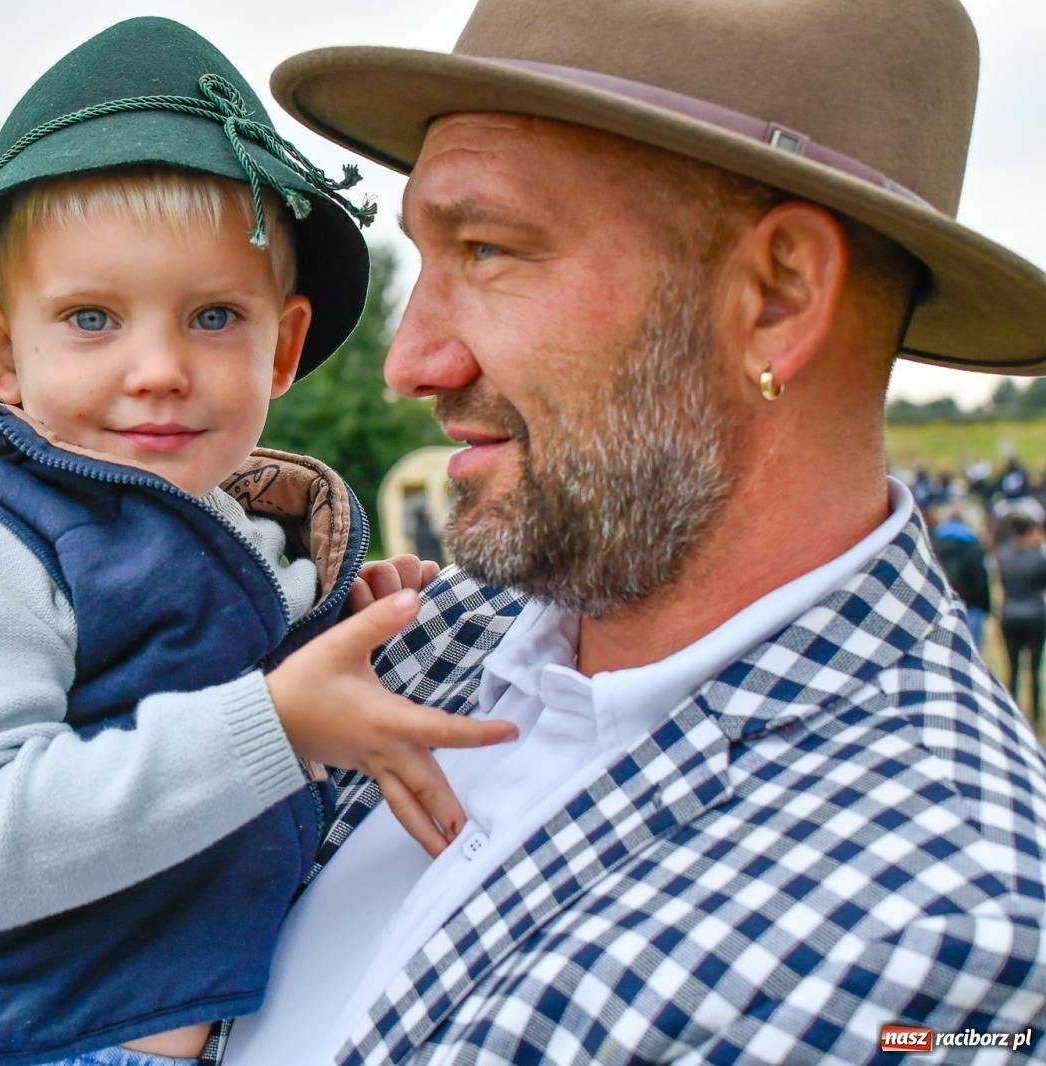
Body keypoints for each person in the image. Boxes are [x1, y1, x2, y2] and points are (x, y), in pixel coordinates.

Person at [222, 0, 1046, 1060]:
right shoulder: (429, 633)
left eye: (486, 248)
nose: (409, 362)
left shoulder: (931, 921)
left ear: (779, 297)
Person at [0, 19, 514, 1066]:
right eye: (93, 319)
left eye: (210, 318)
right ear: (0, 352)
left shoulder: (246, 536)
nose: (156, 368)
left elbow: (202, 693)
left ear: (280, 346)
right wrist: (279, 723)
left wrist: (348, 630)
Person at [996, 512, 1046, 731]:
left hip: (1010, 614)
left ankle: (1011, 711)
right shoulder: (1038, 559)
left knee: (1013, 667)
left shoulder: (1003, 556)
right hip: (1035, 614)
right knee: (1034, 669)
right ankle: (1034, 713)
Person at [930, 503, 992, 650]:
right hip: (970, 608)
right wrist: (985, 606)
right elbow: (981, 579)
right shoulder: (974, 544)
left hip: (940, 607)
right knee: (972, 652)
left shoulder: (932, 543)